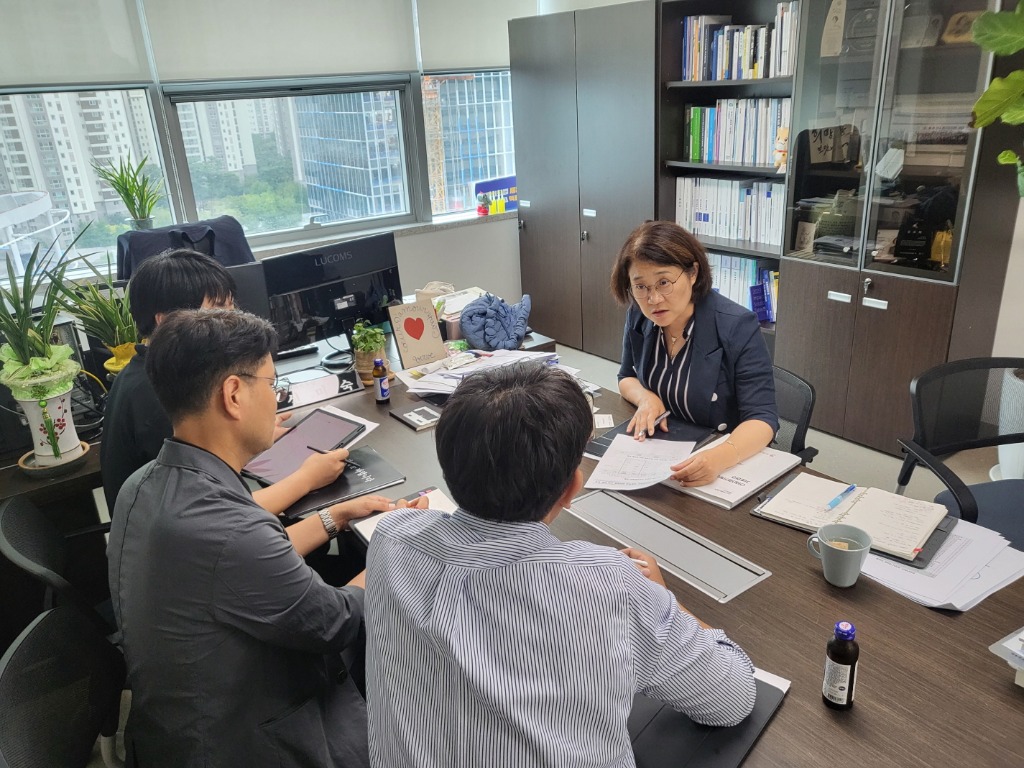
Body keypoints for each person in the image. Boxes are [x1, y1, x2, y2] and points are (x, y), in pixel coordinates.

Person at [364, 364, 756, 768]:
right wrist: (662, 597)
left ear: (447, 470)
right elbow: (733, 698)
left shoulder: (392, 538)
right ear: (572, 488)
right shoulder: (611, 586)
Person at [108, 309, 405, 767]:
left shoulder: (146, 483)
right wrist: (394, 550)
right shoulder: (227, 531)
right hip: (240, 743)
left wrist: (334, 516)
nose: (277, 398)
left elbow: (240, 569)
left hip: (180, 725)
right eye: (271, 383)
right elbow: (336, 620)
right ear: (233, 394)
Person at [100, 248, 353, 563]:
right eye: (216, 312)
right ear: (166, 323)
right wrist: (308, 478)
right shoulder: (161, 397)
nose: (232, 322)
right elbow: (222, 518)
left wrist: (248, 435)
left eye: (231, 308)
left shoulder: (148, 370)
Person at [611, 221, 778, 486]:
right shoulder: (639, 316)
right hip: (663, 451)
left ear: (692, 273)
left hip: (720, 457)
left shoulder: (736, 326)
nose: (653, 299)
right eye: (641, 287)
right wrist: (646, 398)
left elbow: (763, 419)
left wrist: (719, 457)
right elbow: (625, 376)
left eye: (664, 282)